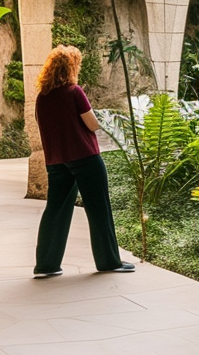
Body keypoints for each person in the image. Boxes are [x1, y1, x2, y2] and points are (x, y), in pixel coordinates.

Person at [32, 44, 135, 277]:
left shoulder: (42, 97)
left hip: (56, 162)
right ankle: (109, 261)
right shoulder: (74, 91)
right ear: (71, 68)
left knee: (55, 210)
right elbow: (92, 124)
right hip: (85, 157)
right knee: (99, 209)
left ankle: (46, 265)